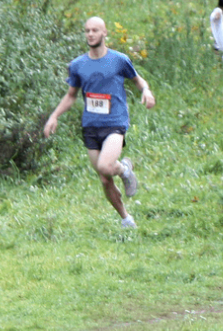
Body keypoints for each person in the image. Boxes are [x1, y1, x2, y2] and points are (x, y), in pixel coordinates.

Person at [43, 17, 155, 229]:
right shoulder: (77, 65)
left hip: (115, 122)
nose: (90, 34)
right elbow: (70, 96)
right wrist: (54, 116)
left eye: (95, 30)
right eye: (87, 31)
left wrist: (146, 91)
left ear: (105, 33)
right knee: (105, 179)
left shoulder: (119, 60)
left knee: (106, 165)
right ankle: (125, 218)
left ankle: (124, 170)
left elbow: (138, 81)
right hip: (91, 126)